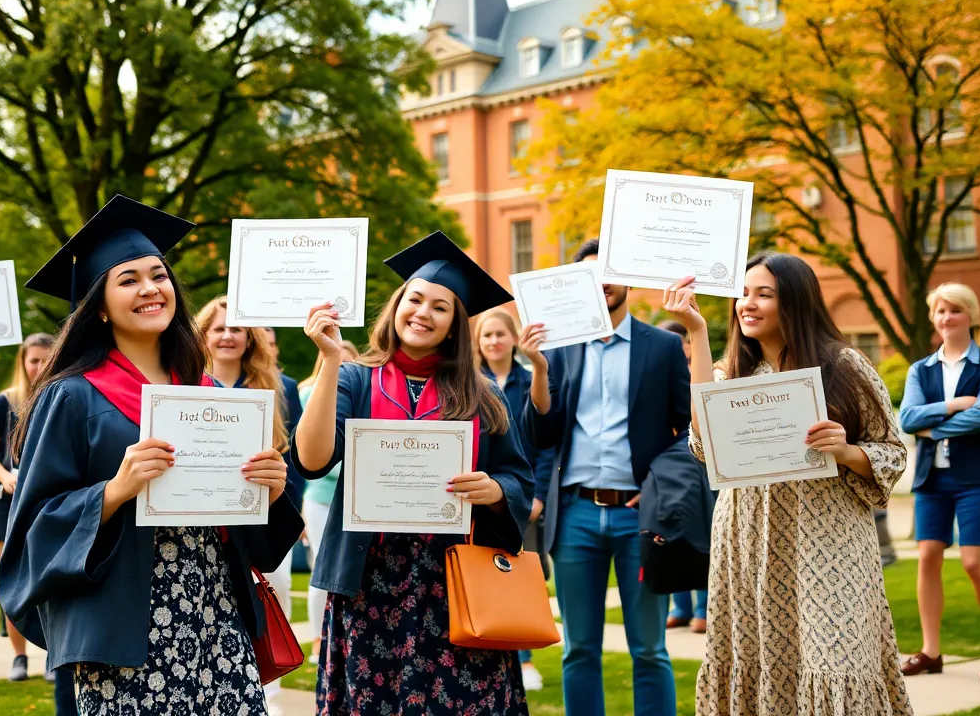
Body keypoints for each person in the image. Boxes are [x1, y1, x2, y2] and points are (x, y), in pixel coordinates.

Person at [0, 196, 302, 716]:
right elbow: (32, 530)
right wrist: (115, 490)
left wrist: (270, 491)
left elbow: (253, 533)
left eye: (158, 275)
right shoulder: (71, 397)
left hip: (216, 609)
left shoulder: (206, 392)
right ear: (97, 304)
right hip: (126, 623)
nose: (149, 289)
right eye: (128, 279)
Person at [294, 231, 535, 714]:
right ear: (398, 304)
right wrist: (327, 361)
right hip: (370, 580)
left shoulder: (482, 394)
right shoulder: (356, 377)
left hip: (454, 582)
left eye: (440, 307)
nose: (423, 312)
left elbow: (518, 479)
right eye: (415, 298)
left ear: (455, 325)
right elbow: (313, 458)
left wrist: (492, 490)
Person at [664, 252, 911, 714]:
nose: (747, 304)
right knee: (762, 662)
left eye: (764, 294)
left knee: (837, 661)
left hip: (829, 539)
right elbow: (703, 444)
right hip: (750, 539)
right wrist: (696, 332)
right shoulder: (729, 371)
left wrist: (845, 450)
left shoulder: (844, 365)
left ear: (794, 301)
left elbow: (893, 454)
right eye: (743, 294)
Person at [523, 238, 687, 716]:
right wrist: (536, 367)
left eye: (611, 272)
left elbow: (688, 432)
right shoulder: (558, 349)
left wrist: (657, 485)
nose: (603, 282)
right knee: (578, 649)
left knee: (650, 649)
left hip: (641, 517)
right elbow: (540, 432)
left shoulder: (663, 347)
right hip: (574, 514)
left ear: (628, 279)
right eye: (591, 275)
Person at [195, 297, 302, 716]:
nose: (227, 335)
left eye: (236, 328)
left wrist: (286, 506)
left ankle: (267, 698)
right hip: (207, 515)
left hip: (263, 513)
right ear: (204, 335)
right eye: (218, 328)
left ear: (249, 336)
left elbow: (291, 459)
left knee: (272, 600)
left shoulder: (278, 386)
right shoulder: (184, 383)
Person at [897, 282, 980, 678]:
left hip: (975, 478)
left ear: (971, 316)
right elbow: (907, 419)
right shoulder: (920, 370)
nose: (946, 317)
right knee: (928, 556)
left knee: (974, 563)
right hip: (932, 479)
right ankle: (931, 652)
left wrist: (935, 428)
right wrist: (952, 406)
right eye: (940, 311)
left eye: (954, 310)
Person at [473, 309, 552, 691]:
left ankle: (526, 655)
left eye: (500, 334)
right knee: (489, 573)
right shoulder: (469, 382)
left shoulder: (528, 378)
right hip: (486, 497)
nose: (493, 341)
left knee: (523, 576)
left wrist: (533, 495)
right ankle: (502, 650)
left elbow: (543, 440)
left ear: (513, 338)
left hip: (525, 492)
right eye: (486, 335)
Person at [0, 332, 54, 682]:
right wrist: (5, 476)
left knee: (49, 582)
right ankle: (19, 657)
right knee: (12, 582)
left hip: (47, 503)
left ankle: (54, 656)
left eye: (45, 359)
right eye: (33, 359)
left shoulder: (60, 395)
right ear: (23, 362)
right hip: (7, 504)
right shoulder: (6, 402)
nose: (39, 366)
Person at [297, 340, 360, 666]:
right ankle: (319, 640)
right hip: (322, 499)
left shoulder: (360, 395)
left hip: (357, 501)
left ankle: (342, 638)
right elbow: (309, 455)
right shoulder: (310, 395)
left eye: (350, 364)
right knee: (322, 572)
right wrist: (359, 469)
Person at [653, 320, 709, 635]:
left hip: (699, 461)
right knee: (670, 531)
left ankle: (702, 609)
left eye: (677, 342)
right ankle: (681, 607)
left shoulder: (699, 368)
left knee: (699, 531)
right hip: (669, 466)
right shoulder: (655, 372)